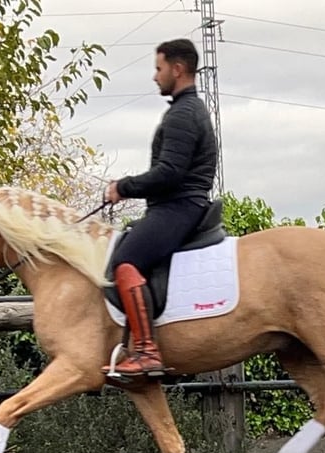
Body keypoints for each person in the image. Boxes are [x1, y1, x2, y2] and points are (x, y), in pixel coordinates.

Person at [102, 38, 218, 377]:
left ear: (177, 69)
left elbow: (169, 173)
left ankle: (147, 351)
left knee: (125, 263)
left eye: (158, 68)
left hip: (179, 206)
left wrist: (123, 187)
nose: (155, 77)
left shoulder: (184, 114)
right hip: (179, 204)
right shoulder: (186, 110)